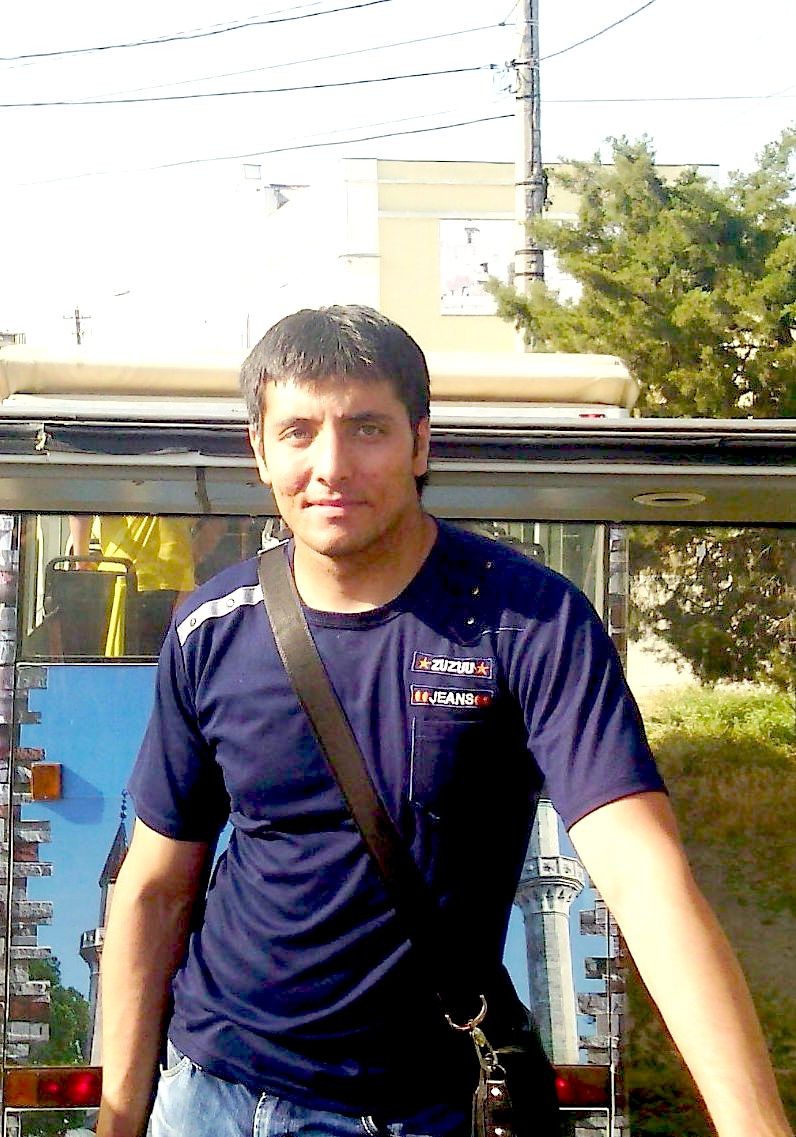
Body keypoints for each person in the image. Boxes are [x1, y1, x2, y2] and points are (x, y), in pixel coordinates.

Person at [96, 306, 791, 1137]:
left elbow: (645, 876)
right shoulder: (213, 629)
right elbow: (155, 888)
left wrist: (756, 1126)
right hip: (214, 1095)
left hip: (423, 1108)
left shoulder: (529, 622)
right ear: (260, 451)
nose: (331, 466)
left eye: (367, 428)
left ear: (421, 443)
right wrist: (118, 1120)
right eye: (298, 432)